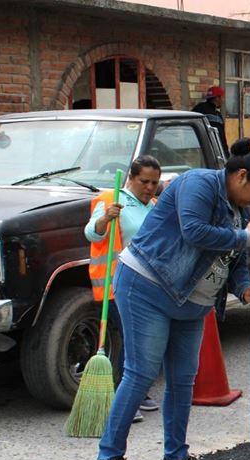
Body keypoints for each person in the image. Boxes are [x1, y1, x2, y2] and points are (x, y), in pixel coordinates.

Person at [89, 138, 250, 460]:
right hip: (147, 286)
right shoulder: (199, 184)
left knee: (183, 378)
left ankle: (175, 457)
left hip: (190, 302)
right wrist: (244, 238)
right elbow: (194, 231)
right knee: (140, 373)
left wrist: (246, 288)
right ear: (241, 175)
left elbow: (236, 264)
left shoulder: (241, 214)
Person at [85, 156, 168, 422]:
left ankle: (138, 392)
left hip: (149, 286)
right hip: (119, 285)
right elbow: (91, 233)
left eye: (154, 182)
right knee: (133, 340)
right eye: (144, 181)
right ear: (131, 178)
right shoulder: (111, 200)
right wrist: (105, 220)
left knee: (144, 342)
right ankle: (126, 399)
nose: (149, 187)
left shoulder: (154, 206)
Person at [192, 86, 228, 157]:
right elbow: (220, 137)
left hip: (199, 149)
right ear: (217, 98)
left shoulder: (198, 109)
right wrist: (225, 154)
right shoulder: (215, 115)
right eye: (222, 97)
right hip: (213, 152)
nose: (223, 100)